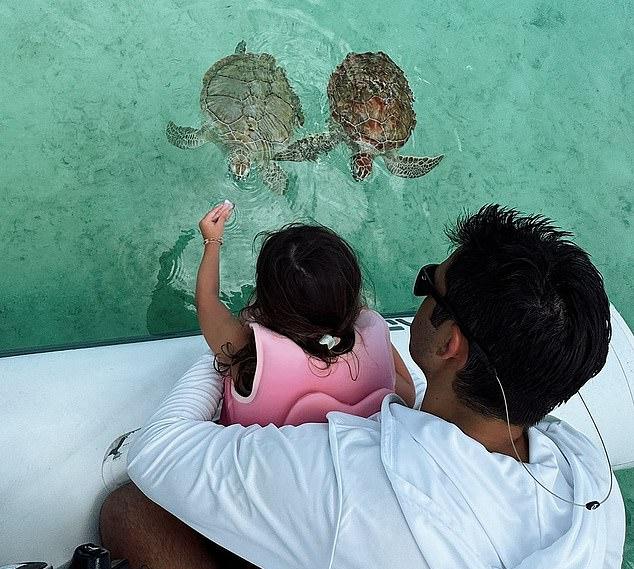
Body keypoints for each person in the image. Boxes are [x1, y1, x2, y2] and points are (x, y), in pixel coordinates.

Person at [100, 205, 625, 569]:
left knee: (131, 512)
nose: (418, 296)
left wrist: (233, 356)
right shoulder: (590, 480)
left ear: (449, 346)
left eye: (427, 284)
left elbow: (159, 453)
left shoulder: (348, 476)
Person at [196, 201, 416, 426]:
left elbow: (207, 300)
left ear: (267, 299)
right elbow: (407, 394)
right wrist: (370, 328)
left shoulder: (249, 357)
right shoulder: (372, 339)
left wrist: (212, 240)